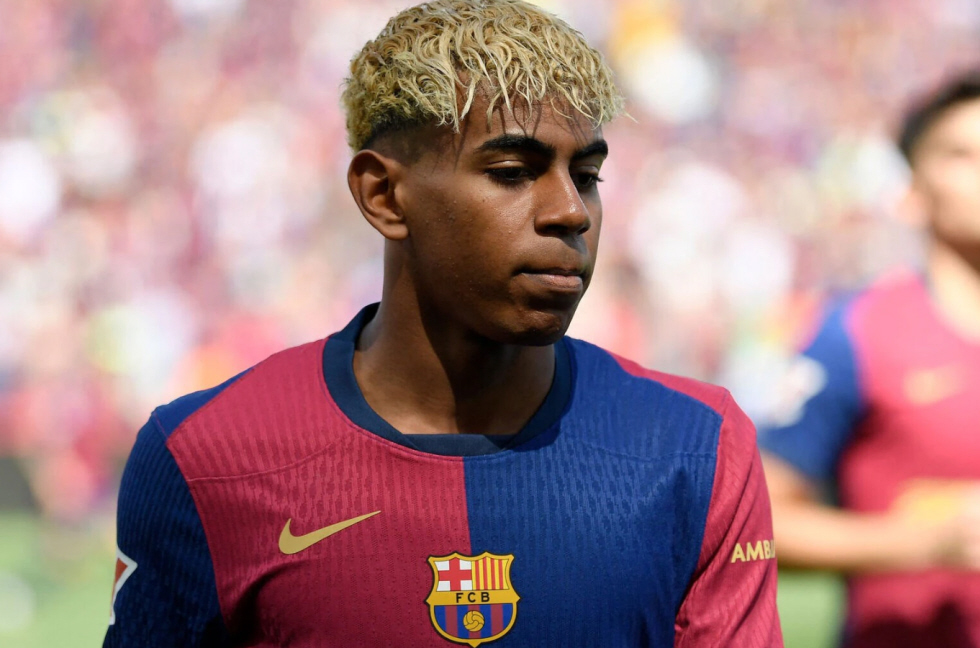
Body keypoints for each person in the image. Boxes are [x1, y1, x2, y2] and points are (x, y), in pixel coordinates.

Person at [104, 1, 781, 646]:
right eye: (513, 172)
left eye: (586, 175)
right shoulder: (205, 455)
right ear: (383, 195)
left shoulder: (696, 448)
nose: (570, 212)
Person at [760, 71, 980, 648]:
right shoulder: (855, 333)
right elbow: (761, 522)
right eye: (961, 154)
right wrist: (930, 541)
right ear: (910, 195)